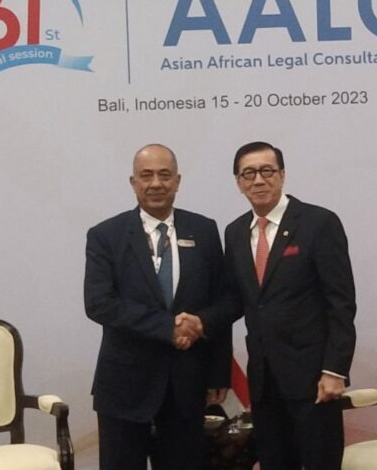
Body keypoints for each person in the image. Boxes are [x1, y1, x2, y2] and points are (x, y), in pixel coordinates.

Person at [84, 144, 231, 470]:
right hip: (124, 387)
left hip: (187, 385)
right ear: (133, 182)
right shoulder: (106, 235)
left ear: (177, 181)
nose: (156, 183)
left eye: (164, 175)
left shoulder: (204, 230)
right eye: (146, 175)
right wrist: (168, 327)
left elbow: (225, 300)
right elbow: (99, 304)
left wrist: (218, 370)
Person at [223, 141, 357, 470]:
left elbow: (340, 304)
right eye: (248, 173)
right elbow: (236, 300)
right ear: (238, 182)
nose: (258, 180)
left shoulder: (318, 223)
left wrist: (334, 370)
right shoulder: (235, 232)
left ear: (282, 175)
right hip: (264, 381)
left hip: (314, 380)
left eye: (267, 171)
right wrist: (195, 321)